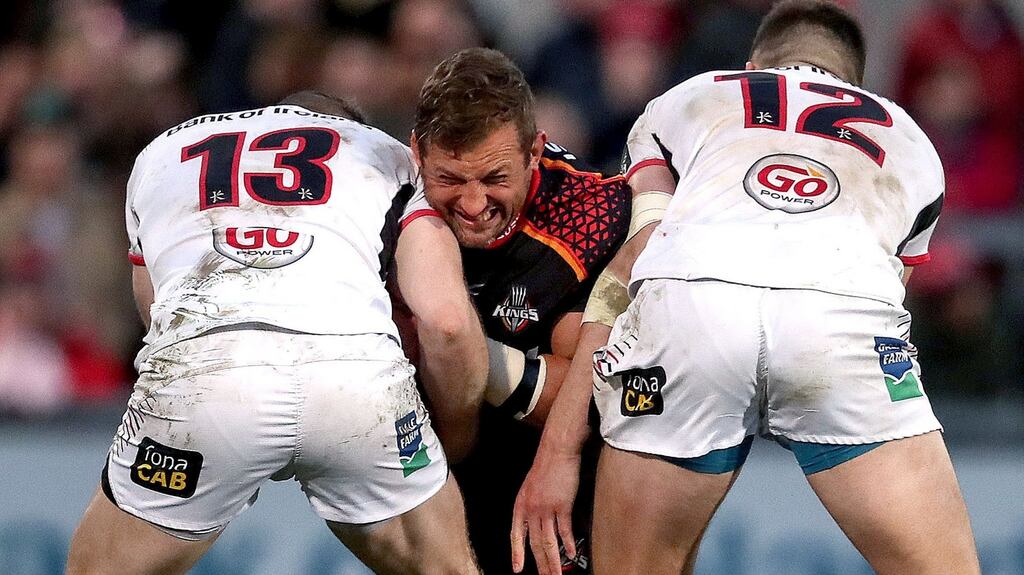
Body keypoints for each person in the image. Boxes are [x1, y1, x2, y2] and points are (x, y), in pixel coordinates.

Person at [513, 2, 981, 574]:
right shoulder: (911, 139)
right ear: (857, 85)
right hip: (837, 316)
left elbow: (632, 264)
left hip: (692, 311)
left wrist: (558, 453)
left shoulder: (691, 95)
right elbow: (890, 288)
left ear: (755, 65)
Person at [66, 91, 486, 575]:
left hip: (206, 377)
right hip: (354, 379)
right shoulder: (386, 153)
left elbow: (155, 306)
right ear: (344, 125)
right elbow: (446, 322)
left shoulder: (161, 152)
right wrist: (457, 432)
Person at [402, 48, 631, 574]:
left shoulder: (588, 217)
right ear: (416, 153)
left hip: (544, 469)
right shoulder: (383, 199)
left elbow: (587, 393)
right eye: (450, 180)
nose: (474, 205)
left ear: (535, 151)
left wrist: (458, 349)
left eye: (495, 178)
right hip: (425, 463)